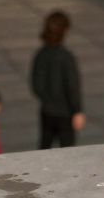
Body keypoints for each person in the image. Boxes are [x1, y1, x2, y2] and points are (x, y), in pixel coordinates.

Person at [30, 10, 86, 148]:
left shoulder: (40, 54)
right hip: (65, 112)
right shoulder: (66, 57)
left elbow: (36, 85)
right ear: (65, 31)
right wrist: (77, 110)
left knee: (44, 145)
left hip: (47, 110)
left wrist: (47, 98)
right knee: (67, 148)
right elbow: (72, 86)